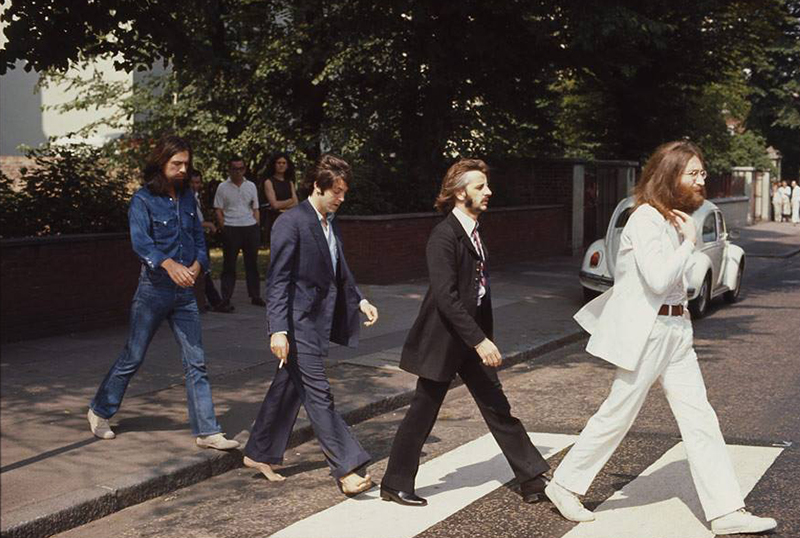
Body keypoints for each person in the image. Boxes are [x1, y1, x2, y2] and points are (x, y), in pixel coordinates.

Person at [544, 141, 777, 536]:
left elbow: (679, 283)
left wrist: (687, 245)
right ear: (671, 175)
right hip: (648, 332)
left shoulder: (670, 218)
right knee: (618, 413)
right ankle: (564, 485)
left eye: (702, 173)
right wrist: (689, 243)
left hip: (676, 328)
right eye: (694, 173)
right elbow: (656, 280)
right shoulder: (645, 219)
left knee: (700, 417)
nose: (701, 180)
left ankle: (725, 511)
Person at [380, 159, 549, 507]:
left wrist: (479, 337)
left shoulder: (472, 230)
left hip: (467, 340)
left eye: (486, 186)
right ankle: (394, 483)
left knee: (497, 406)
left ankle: (532, 479)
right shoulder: (444, 236)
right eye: (479, 187)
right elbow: (447, 298)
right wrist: (480, 340)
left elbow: (476, 290)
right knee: (422, 411)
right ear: (460, 193)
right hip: (444, 340)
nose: (488, 192)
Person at [87, 135, 239, 451]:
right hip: (153, 291)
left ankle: (208, 431)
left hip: (185, 294)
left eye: (186, 164)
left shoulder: (188, 199)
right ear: (161, 164)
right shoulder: (142, 200)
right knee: (134, 355)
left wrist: (199, 265)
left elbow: (199, 239)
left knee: (196, 361)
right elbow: (141, 243)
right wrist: (169, 265)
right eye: (176, 164)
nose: (183, 170)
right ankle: (100, 410)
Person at [243, 154, 380, 496]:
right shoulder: (291, 222)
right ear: (317, 187)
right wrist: (277, 329)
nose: (341, 198)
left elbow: (339, 268)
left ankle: (259, 451)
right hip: (297, 322)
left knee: (289, 386)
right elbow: (278, 280)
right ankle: (347, 467)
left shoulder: (327, 221)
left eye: (344, 192)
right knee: (319, 395)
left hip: (317, 321)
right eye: (336, 191)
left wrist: (359, 300)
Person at [214, 156, 265, 308]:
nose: (238, 172)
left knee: (252, 264)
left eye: (241, 168)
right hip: (231, 227)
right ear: (229, 170)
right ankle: (226, 297)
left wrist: (256, 224)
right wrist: (224, 226)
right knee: (229, 265)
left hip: (249, 227)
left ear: (245, 169)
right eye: (234, 169)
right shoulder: (223, 187)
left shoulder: (251, 186)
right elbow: (218, 209)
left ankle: (255, 295)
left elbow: (256, 207)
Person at [190, 169, 232, 313]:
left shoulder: (195, 197)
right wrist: (208, 225)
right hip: (193, 238)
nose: (195, 186)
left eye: (197, 183)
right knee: (203, 269)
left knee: (204, 269)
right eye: (192, 183)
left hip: (199, 236)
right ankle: (214, 301)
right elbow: (191, 222)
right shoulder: (186, 199)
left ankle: (210, 300)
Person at [263, 153, 299, 245]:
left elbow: (296, 203)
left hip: (290, 219)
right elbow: (274, 205)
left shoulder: (290, 182)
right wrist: (290, 200)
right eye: (279, 163)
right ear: (274, 165)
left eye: (284, 163)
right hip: (275, 220)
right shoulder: (269, 182)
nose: (281, 165)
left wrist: (283, 205)